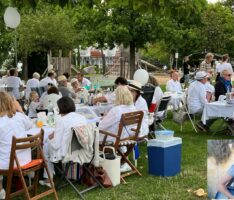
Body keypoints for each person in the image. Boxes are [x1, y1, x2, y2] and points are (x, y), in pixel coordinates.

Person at [39, 97, 87, 187]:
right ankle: (52, 175)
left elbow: (56, 145)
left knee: (45, 146)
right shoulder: (82, 118)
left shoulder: (62, 120)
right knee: (47, 145)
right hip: (81, 150)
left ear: (61, 108)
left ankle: (48, 179)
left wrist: (49, 139)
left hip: (67, 153)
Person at [0, 92, 33, 199]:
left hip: (9, 164)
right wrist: (21, 110)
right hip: (26, 160)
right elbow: (31, 125)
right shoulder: (19, 116)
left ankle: (1, 190)